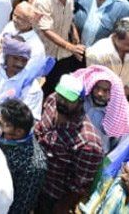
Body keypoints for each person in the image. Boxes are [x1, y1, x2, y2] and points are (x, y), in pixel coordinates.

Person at [34, 74, 104, 213]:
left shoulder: (88, 143)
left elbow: (79, 186)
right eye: (61, 96)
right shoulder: (52, 101)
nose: (62, 102)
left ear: (80, 101)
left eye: (68, 99)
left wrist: (61, 208)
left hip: (53, 196)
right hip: (34, 181)